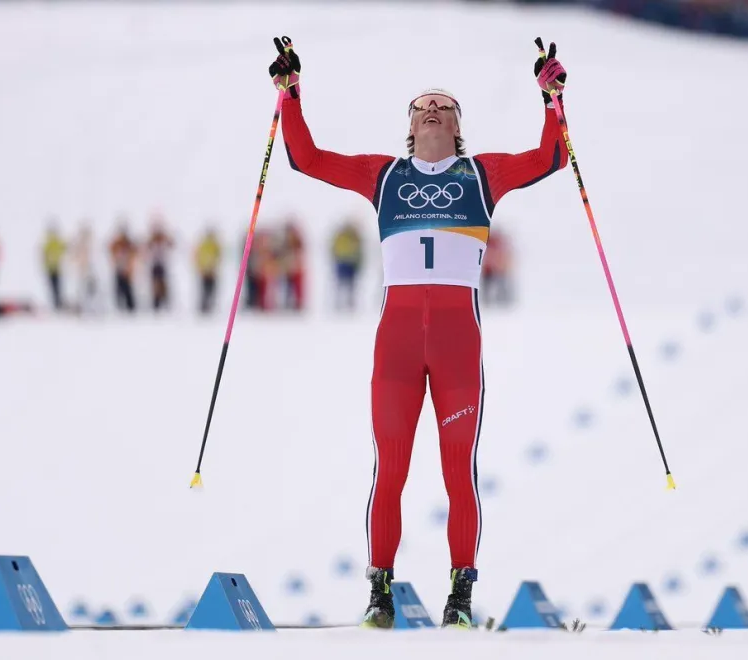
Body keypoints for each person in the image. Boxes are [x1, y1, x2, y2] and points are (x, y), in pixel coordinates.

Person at [268, 35, 568, 629]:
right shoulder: (383, 176)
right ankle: (379, 591)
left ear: (459, 128)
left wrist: (552, 99)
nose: (432, 108)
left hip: (458, 343)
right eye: (421, 105)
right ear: (409, 126)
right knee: (391, 470)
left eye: (446, 105)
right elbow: (306, 157)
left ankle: (461, 593)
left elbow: (549, 158)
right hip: (397, 345)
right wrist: (289, 94)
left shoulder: (484, 174)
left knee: (460, 471)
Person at [330, 219, 364, 311]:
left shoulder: (354, 236)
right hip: (343, 262)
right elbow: (334, 248)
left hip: (350, 262)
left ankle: (349, 302)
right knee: (342, 283)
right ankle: (339, 303)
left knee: (350, 284)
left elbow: (359, 250)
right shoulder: (343, 236)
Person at [41, 221, 69, 311]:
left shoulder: (56, 242)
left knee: (57, 287)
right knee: (54, 287)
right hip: (51, 268)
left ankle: (58, 303)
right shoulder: (49, 242)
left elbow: (64, 250)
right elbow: (44, 255)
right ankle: (56, 304)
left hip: (56, 268)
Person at [195, 226, 222, 314]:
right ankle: (204, 306)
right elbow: (199, 257)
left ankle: (209, 305)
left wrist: (214, 267)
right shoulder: (204, 244)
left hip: (211, 271)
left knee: (211, 289)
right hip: (206, 272)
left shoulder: (214, 245)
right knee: (205, 289)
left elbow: (218, 257)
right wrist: (201, 268)